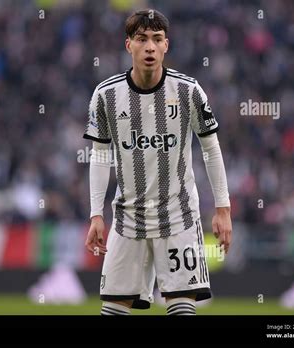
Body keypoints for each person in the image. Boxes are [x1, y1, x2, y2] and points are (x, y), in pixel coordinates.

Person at [83, 9, 232, 315]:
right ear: (129, 45)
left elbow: (211, 148)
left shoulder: (189, 91)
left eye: (156, 39)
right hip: (127, 218)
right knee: (113, 309)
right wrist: (96, 214)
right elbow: (99, 154)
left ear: (167, 45)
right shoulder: (105, 96)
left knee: (180, 307)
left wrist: (223, 209)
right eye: (141, 39)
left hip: (178, 216)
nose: (149, 46)